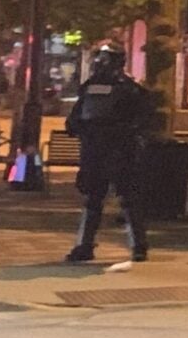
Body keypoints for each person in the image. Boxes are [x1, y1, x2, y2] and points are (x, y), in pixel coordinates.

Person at [65, 41, 156, 265]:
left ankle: (130, 245)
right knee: (111, 199)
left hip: (112, 149)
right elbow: (74, 121)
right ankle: (132, 246)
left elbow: (74, 121)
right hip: (109, 149)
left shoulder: (122, 89)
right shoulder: (127, 89)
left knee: (112, 199)